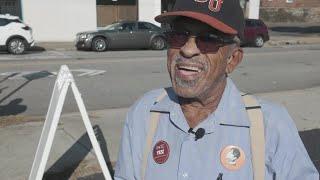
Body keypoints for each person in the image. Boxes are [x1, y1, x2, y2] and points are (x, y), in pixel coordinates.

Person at [114, 0, 319, 179]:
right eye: (178, 35)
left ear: (232, 59)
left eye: (208, 39)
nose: (188, 49)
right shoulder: (145, 113)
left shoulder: (270, 125)